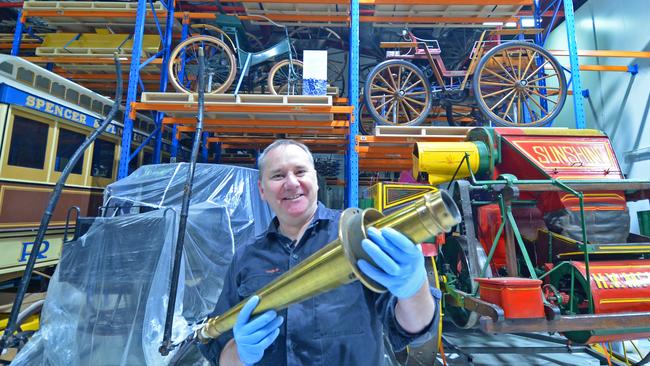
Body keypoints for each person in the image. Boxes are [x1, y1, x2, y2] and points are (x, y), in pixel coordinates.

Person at [199, 139, 440, 365]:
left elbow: (413, 329)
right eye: (278, 175)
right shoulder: (246, 258)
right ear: (262, 190)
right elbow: (217, 348)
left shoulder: (357, 238)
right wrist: (241, 353)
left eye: (300, 172)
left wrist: (414, 287)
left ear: (315, 179)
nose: (292, 183)